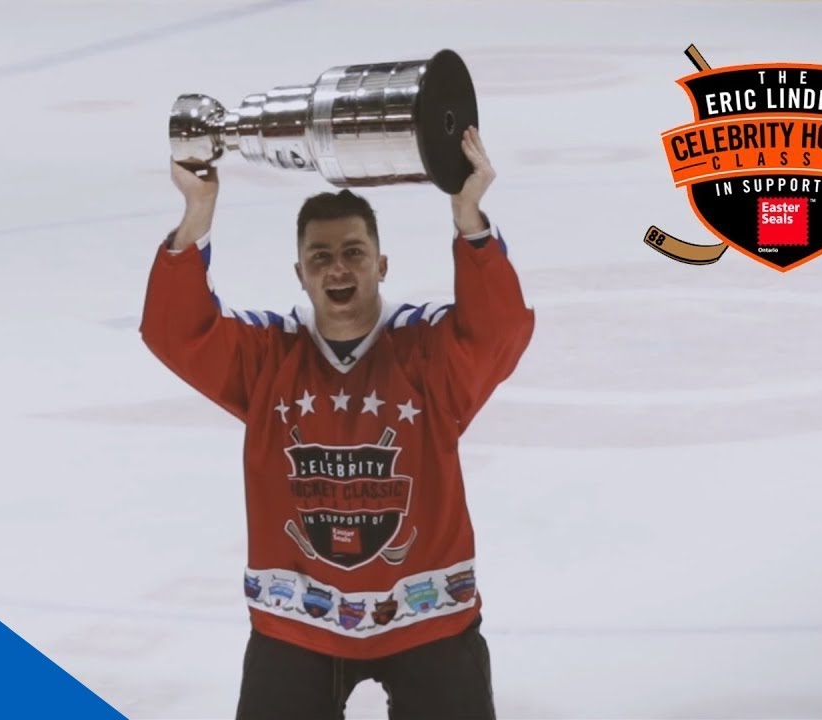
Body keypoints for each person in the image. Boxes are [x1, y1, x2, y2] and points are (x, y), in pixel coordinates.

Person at [140, 127, 533, 720]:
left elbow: (499, 332)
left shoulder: (426, 350)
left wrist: (469, 217)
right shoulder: (271, 352)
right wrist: (197, 213)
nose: (337, 268)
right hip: (298, 622)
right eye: (320, 257)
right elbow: (175, 332)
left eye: (353, 252)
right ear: (300, 273)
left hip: (428, 617)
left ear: (381, 264)